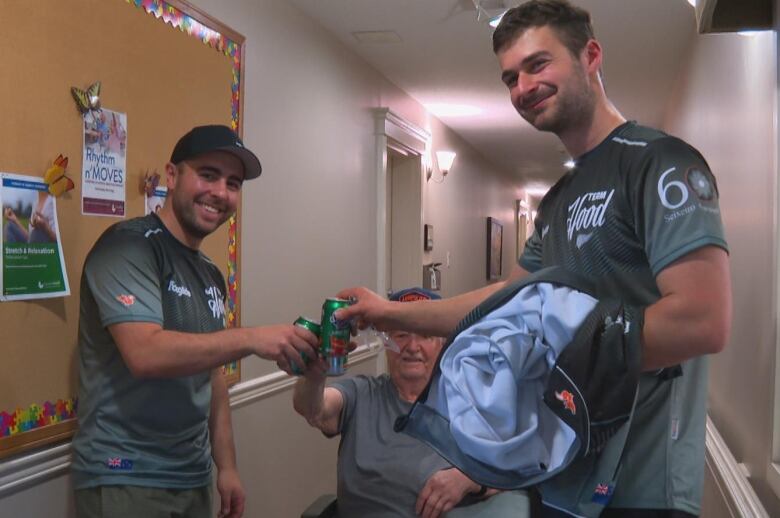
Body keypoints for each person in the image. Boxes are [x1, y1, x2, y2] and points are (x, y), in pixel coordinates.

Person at [336, 1, 731, 516]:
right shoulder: (560, 198)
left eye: (538, 64)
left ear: (590, 55)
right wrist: (386, 313)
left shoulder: (658, 163)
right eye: (509, 78)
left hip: (640, 486)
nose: (522, 87)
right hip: (556, 477)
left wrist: (549, 363)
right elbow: (504, 301)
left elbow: (702, 321)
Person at [71, 125, 320, 518]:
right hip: (126, 476)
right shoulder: (126, 247)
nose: (221, 192)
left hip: (192, 475)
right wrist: (251, 338)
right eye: (207, 175)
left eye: (233, 183)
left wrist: (228, 466)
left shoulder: (209, 273)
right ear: (172, 176)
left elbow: (213, 377)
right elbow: (145, 353)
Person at [293, 287, 531, 518]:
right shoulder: (362, 394)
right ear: (387, 345)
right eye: (401, 334)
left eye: (425, 335)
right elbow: (313, 409)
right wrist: (314, 373)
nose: (412, 347)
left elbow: (522, 467)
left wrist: (467, 480)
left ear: (443, 344)